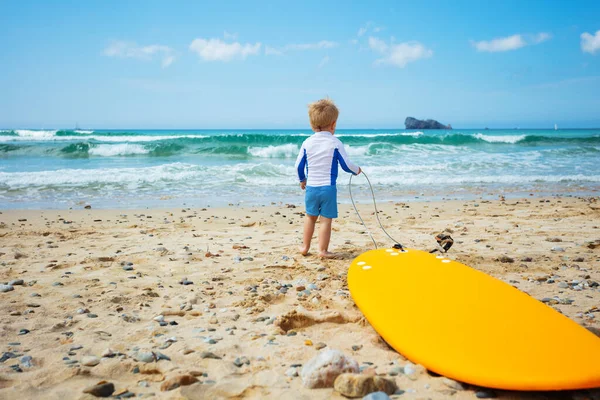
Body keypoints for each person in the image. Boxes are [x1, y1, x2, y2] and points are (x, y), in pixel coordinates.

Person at [295, 98, 361, 258]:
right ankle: (323, 251)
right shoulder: (335, 142)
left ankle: (305, 247)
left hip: (311, 188)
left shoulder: (307, 142)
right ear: (333, 124)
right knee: (325, 220)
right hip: (328, 189)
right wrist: (357, 170)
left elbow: (298, 165)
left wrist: (302, 180)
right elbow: (346, 165)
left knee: (310, 217)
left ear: (312, 125)